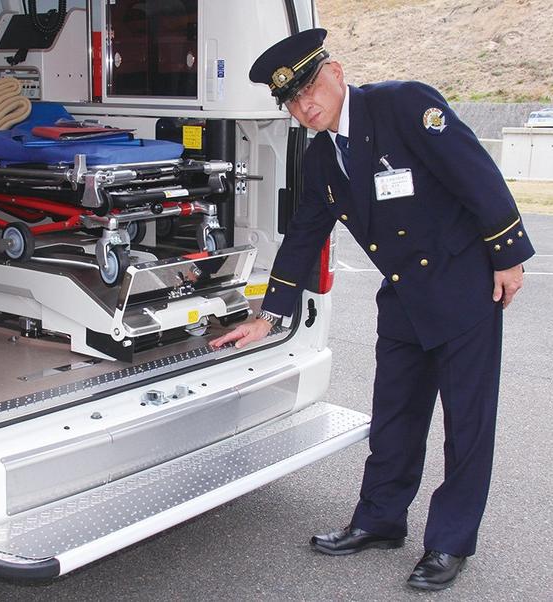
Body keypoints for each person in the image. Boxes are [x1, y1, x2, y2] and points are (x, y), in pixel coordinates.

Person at [210, 28, 534, 591]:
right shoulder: (321, 158)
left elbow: (474, 171)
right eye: (290, 101)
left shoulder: (403, 105)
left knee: (467, 425)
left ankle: (450, 542)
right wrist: (268, 314)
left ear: (336, 73)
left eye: (308, 88)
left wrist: (507, 255)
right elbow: (303, 235)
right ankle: (381, 521)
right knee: (394, 418)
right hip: (404, 298)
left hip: (463, 288)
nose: (303, 106)